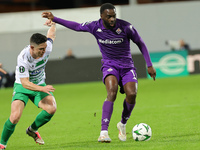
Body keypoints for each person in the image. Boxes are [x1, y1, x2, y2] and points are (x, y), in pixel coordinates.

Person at [42, 3, 156, 143]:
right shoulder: (95, 26)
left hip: (127, 67)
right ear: (101, 16)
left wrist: (149, 65)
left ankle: (123, 123)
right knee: (112, 92)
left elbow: (141, 43)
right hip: (110, 65)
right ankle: (103, 132)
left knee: (132, 95)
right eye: (109, 17)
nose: (112, 19)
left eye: (114, 16)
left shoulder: (126, 27)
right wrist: (55, 19)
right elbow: (77, 26)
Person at [0, 20, 57, 150]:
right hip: (23, 86)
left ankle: (32, 130)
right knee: (14, 117)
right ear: (32, 47)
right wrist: (42, 88)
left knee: (51, 109)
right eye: (40, 49)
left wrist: (53, 23)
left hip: (39, 84)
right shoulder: (23, 58)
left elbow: (52, 35)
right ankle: (2, 144)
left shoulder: (47, 47)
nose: (44, 52)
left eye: (44, 48)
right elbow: (25, 83)